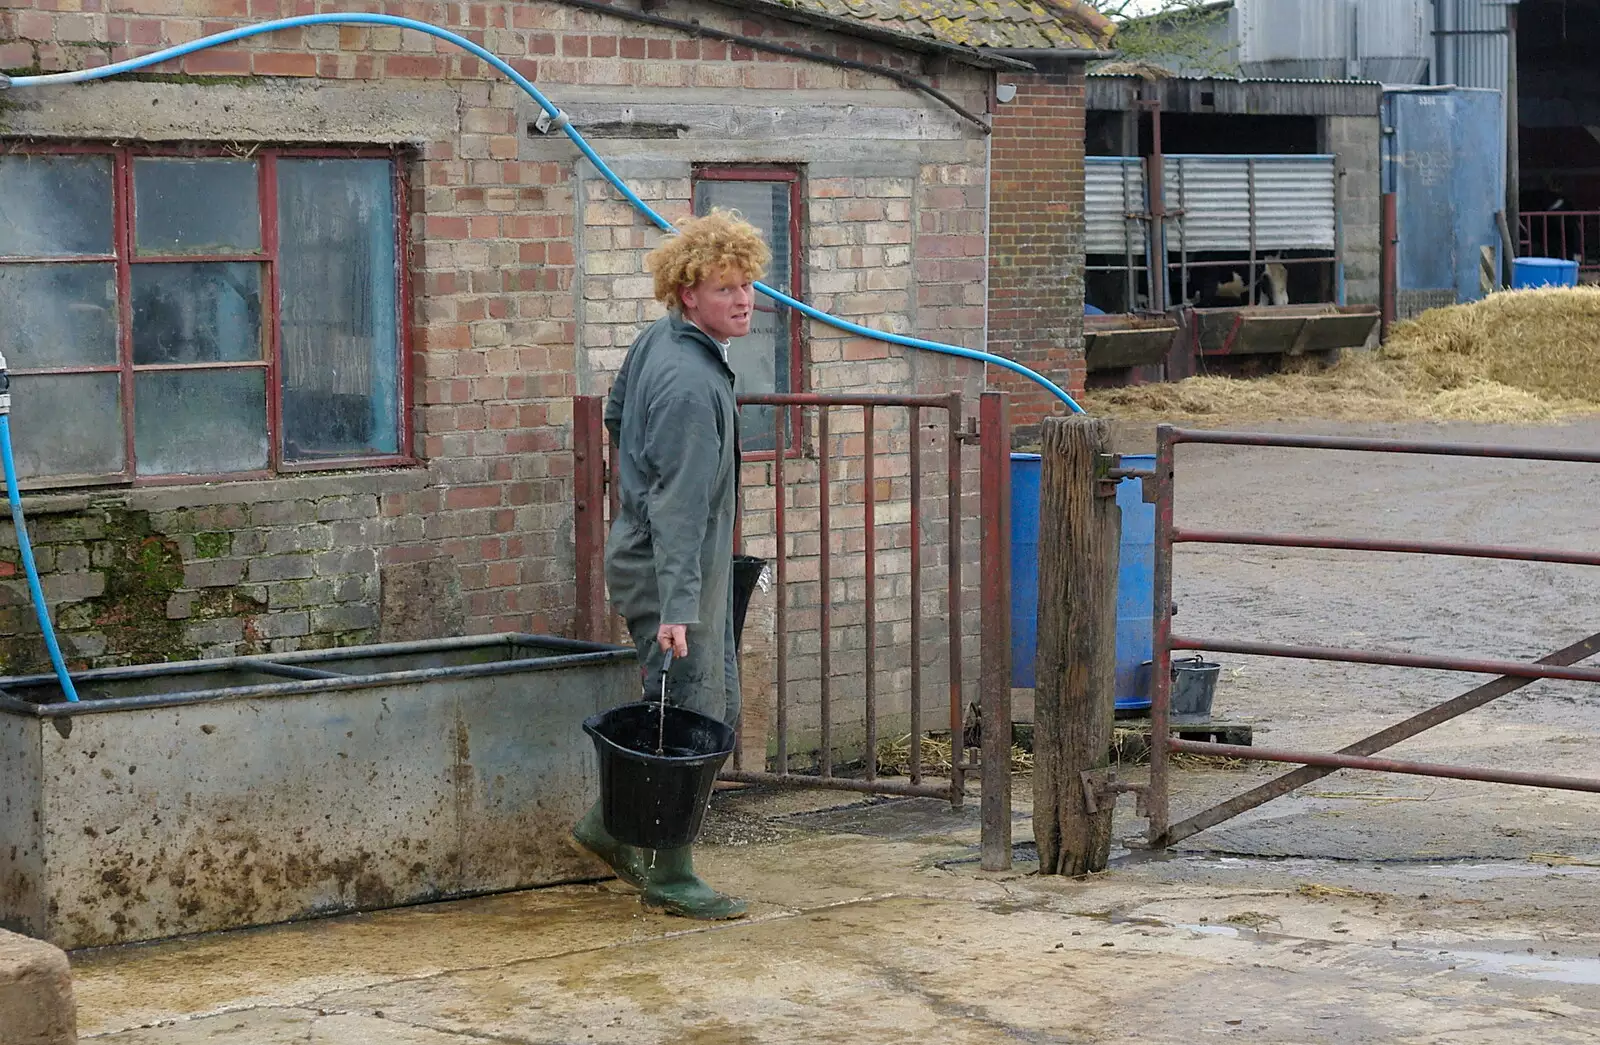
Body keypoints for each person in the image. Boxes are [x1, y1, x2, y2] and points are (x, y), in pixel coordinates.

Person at [572, 210, 768, 920]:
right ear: (688, 292)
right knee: (690, 712)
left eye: (749, 285)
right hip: (671, 573)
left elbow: (618, 415)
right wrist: (679, 609)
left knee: (704, 703)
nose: (743, 300)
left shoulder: (662, 341)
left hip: (659, 557)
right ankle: (667, 870)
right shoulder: (689, 382)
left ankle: (610, 825)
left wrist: (635, 492)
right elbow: (682, 508)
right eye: (726, 289)